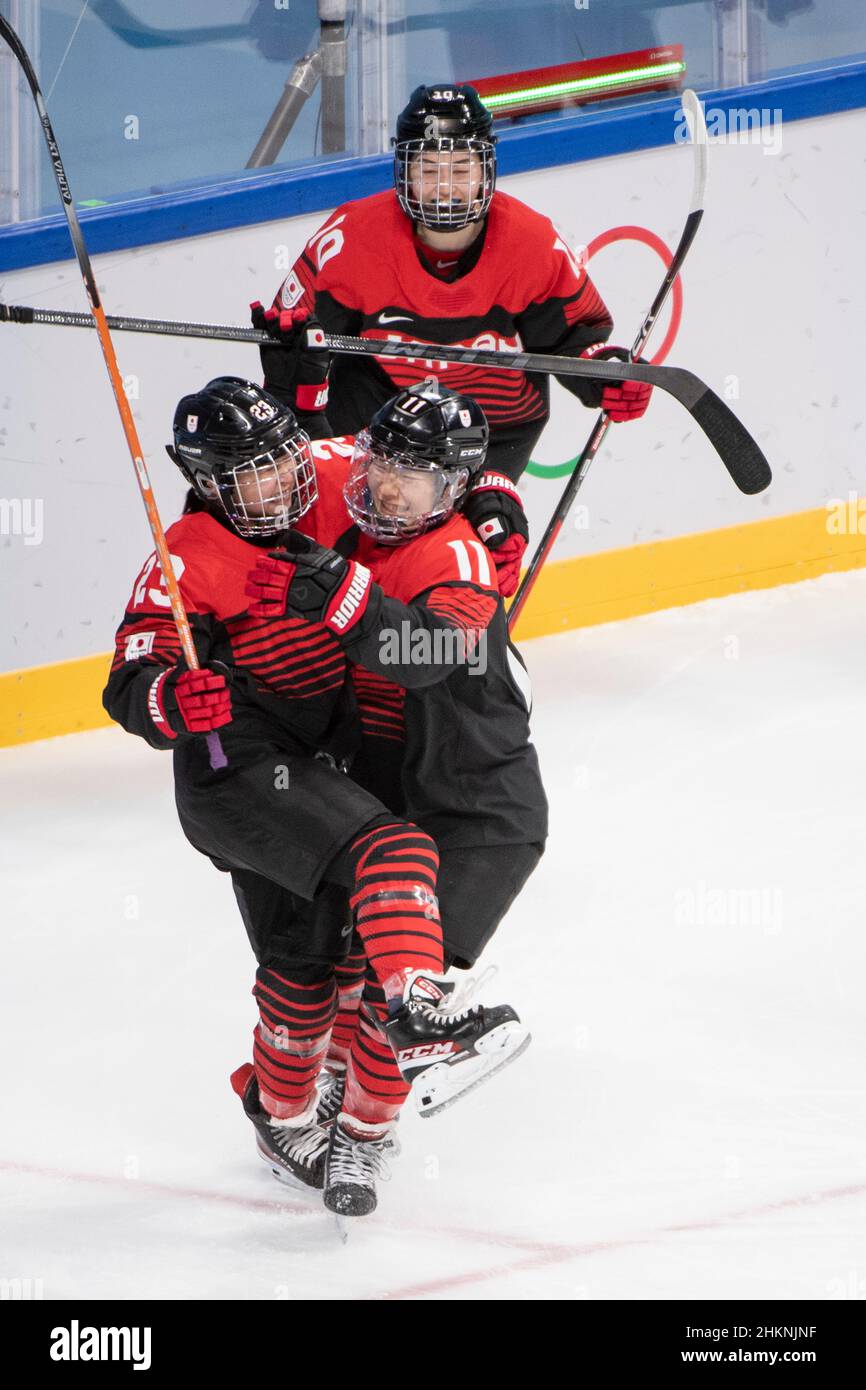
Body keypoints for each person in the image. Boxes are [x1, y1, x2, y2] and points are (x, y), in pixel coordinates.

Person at [101, 377, 530, 1198]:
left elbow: (436, 453)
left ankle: (288, 1110)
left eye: (286, 458)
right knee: (390, 859)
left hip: (326, 763)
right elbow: (129, 676)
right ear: (212, 482)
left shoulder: (330, 476)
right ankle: (416, 1013)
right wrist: (168, 700)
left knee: (305, 970)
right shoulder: (184, 558)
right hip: (237, 766)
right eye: (256, 473)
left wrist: (495, 505)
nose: (284, 481)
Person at [239, 380, 548, 1215]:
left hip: (476, 811)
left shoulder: (454, 560)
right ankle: (312, 1095)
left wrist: (343, 593)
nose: (388, 483)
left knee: (391, 991)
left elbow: (425, 651)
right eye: (385, 460)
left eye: (418, 475)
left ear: (450, 491)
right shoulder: (352, 488)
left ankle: (364, 1141)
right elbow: (272, 463)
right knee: (331, 969)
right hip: (378, 784)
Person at [251, 82, 653, 595]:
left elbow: (575, 342)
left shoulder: (531, 243)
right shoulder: (353, 239)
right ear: (403, 172)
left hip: (492, 431)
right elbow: (295, 351)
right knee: (354, 558)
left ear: (487, 171)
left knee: (484, 545)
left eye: (461, 169)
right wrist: (290, 351)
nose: (445, 187)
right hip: (375, 426)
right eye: (429, 170)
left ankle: (463, 642)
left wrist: (606, 375)